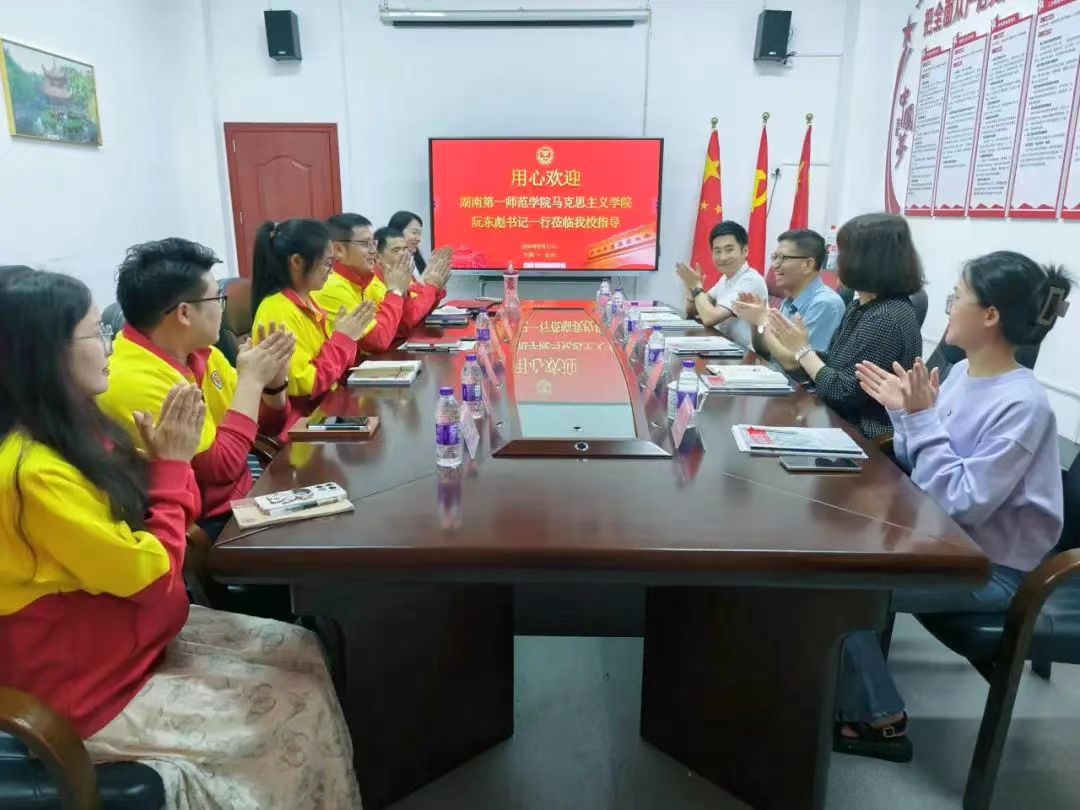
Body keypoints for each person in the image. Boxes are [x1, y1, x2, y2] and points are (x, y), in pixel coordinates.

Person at [0, 271, 361, 808]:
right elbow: (152, 577)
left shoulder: (77, 428)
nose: (109, 344)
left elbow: (173, 507)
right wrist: (171, 467)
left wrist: (170, 469)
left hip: (135, 639)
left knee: (302, 649)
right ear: (43, 355)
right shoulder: (30, 473)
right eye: (95, 332)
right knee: (291, 709)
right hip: (95, 686)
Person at [834, 252, 1071, 762]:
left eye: (957, 297)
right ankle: (843, 686)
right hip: (944, 540)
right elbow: (922, 462)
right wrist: (905, 414)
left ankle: (879, 718)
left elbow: (961, 501)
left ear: (990, 315)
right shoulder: (963, 373)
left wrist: (919, 418)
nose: (947, 308)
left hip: (989, 568)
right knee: (831, 548)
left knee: (839, 585)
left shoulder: (1022, 404)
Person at [97, 238, 295, 534]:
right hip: (208, 522)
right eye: (217, 299)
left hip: (245, 492)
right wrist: (252, 381)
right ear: (184, 313)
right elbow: (221, 469)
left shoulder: (204, 352)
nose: (222, 309)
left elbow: (264, 426)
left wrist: (274, 386)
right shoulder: (133, 379)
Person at [766, 213, 923, 438]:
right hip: (833, 420)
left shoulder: (886, 317)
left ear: (869, 260)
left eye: (843, 253)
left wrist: (803, 351)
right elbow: (835, 362)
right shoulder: (861, 305)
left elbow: (842, 392)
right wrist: (800, 348)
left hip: (862, 438)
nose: (835, 262)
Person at [250, 218, 376, 416]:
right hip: (304, 421)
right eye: (327, 263)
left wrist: (349, 338)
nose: (331, 271)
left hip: (327, 408)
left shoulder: (308, 301)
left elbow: (333, 370)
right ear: (297, 262)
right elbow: (306, 384)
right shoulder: (277, 310)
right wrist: (343, 339)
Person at [732, 229, 845, 364]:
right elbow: (766, 352)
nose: (774, 265)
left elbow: (798, 365)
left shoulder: (825, 304)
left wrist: (763, 320)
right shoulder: (789, 301)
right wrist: (754, 322)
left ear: (808, 264)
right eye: (775, 257)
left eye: (783, 258)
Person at [312, 213, 415, 353]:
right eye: (365, 244)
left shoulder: (369, 281)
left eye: (374, 243)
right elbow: (378, 341)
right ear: (338, 250)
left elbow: (403, 328)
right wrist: (395, 292)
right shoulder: (330, 286)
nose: (373, 251)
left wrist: (402, 291)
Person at [676, 221, 768, 350]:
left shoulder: (751, 280)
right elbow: (693, 311)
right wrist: (692, 290)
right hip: (726, 347)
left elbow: (709, 318)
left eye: (729, 250)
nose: (723, 257)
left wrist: (697, 287)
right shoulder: (725, 278)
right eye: (717, 251)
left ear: (745, 251)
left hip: (746, 354)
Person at [373, 226, 453, 331]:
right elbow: (407, 322)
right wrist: (432, 287)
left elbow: (416, 311)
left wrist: (435, 288)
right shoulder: (374, 283)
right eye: (396, 250)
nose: (403, 254)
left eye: (405, 249)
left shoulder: (403, 274)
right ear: (378, 256)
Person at [388, 209, 428, 276]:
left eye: (420, 234)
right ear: (398, 232)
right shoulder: (387, 263)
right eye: (414, 232)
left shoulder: (415, 259)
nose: (419, 239)